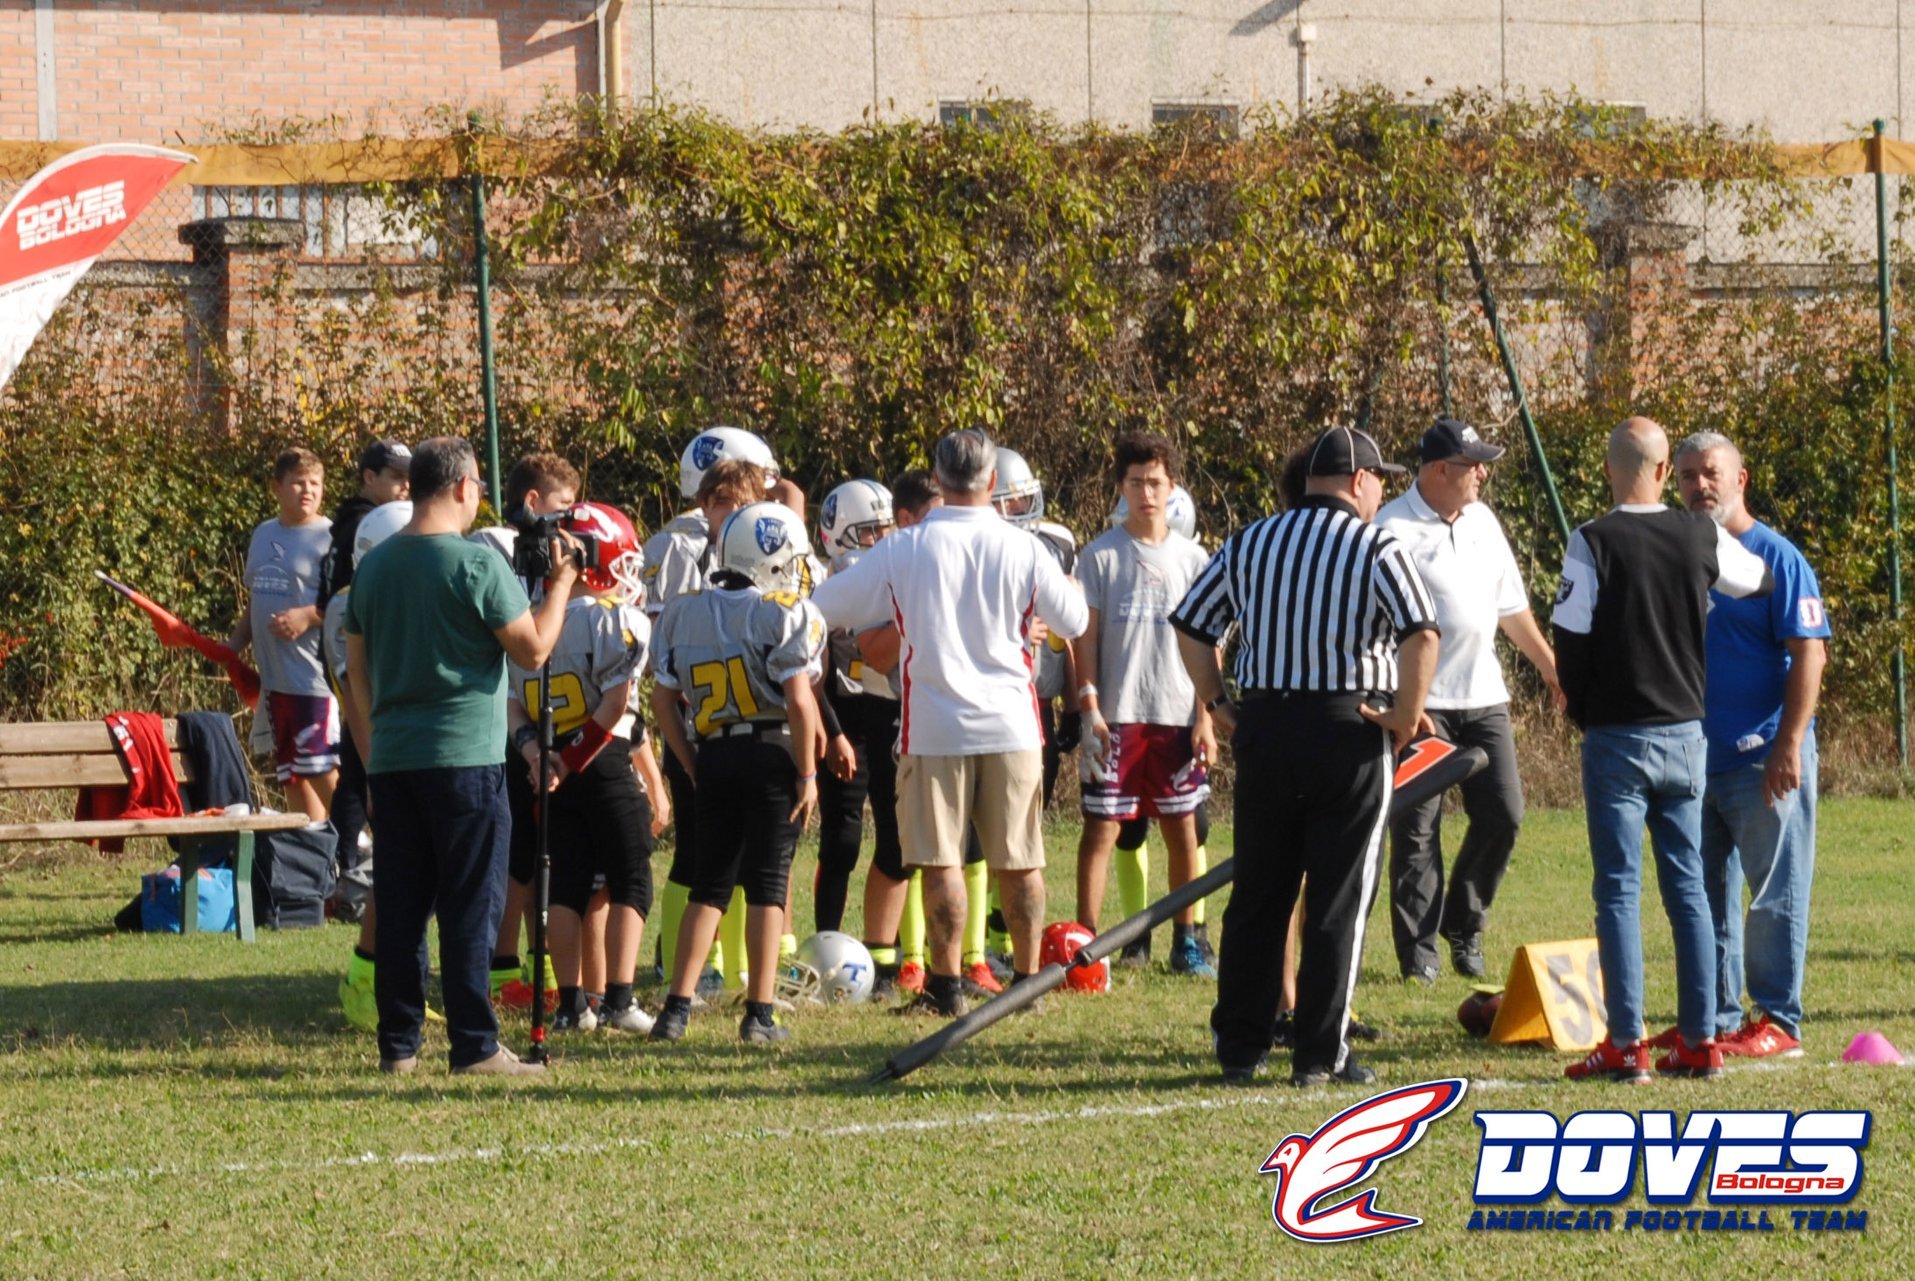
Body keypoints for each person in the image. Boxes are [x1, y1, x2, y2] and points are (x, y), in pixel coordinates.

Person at [1171, 425, 1439, 1087]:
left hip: (1266, 726)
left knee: (1258, 893)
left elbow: (1192, 624)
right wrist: (1406, 713)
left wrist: (1218, 701)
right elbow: (1421, 631)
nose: (1380, 496)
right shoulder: (1376, 544)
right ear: (1358, 481)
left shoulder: (1253, 539)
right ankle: (1321, 1052)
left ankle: (1241, 1046)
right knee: (1337, 896)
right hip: (1347, 728)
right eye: (1378, 483)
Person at [813, 429, 1087, 1018]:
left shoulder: (905, 548)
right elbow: (1073, 620)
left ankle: (945, 986)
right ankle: (1027, 985)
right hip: (1013, 724)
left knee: (941, 862)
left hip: (934, 725)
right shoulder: (1023, 547)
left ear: (937, 479)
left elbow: (827, 606)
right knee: (1021, 861)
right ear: (993, 481)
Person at [344, 436, 578, 1077]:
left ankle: (399, 1046)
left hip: (393, 761)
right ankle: (475, 1045)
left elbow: (355, 672)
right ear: (463, 487)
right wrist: (560, 585)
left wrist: (374, 751)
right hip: (466, 761)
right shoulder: (476, 563)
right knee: (469, 905)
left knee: (401, 906)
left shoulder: (373, 566)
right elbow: (533, 649)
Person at [1552, 416, 1773, 1084]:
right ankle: (1701, 1039)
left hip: (1617, 736)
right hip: (1685, 734)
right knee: (1689, 889)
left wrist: (1584, 709)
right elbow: (1757, 579)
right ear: (1660, 470)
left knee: (1619, 891)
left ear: (1608, 470)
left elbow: (1569, 638)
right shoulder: (1697, 532)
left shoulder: (1591, 539)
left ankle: (1626, 1044)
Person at [1375, 418, 1562, 984]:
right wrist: (1401, 701)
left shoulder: (1482, 520)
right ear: (1439, 470)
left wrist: (1551, 669)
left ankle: (1464, 924)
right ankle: (1419, 954)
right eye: (1473, 464)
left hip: (1484, 699)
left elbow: (1511, 609)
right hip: (1422, 706)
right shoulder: (1390, 528)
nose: (1482, 473)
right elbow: (1375, 626)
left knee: (1505, 813)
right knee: (1416, 829)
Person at [1675, 431, 1829, 1060]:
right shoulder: (1680, 556)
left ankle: (1779, 1020)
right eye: (1687, 476)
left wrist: (1788, 744)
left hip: (1764, 756)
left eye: (1711, 473)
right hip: (1694, 760)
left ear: (1740, 479)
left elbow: (1810, 654)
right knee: (1704, 896)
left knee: (1774, 893)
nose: (1699, 486)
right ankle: (1716, 1017)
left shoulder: (1778, 558)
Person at [648, 501, 825, 1044]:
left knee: (709, 886)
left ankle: (675, 1010)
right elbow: (799, 701)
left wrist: (691, 761)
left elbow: (662, 702)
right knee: (769, 887)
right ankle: (759, 1014)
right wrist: (808, 774)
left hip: (715, 754)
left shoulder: (683, 611)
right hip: (771, 752)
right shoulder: (782, 612)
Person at [841, 470, 998, 999]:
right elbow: (875, 654)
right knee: (899, 844)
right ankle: (889, 964)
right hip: (894, 712)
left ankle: (970, 960)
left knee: (970, 845)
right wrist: (921, 613)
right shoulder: (887, 564)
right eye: (935, 516)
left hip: (958, 713)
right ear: (905, 520)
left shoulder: (965, 558)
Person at [505, 501, 656, 1036]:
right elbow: (614, 706)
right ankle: (619, 999)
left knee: (566, 885)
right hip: (599, 758)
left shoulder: (532, 621)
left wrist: (538, 757)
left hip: (549, 765)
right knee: (631, 878)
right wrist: (571, 760)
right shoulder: (612, 618)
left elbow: (514, 708)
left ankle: (572, 1004)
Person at [1072, 433, 1217, 978]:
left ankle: (1187, 941)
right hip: (1117, 716)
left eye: (1155, 483)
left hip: (1177, 715)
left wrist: (1205, 715)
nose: (1146, 494)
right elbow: (1084, 638)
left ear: (1172, 486)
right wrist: (1089, 706)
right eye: (1136, 483)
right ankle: (1085, 947)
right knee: (1102, 828)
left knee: (1183, 829)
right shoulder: (1099, 555)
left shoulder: (1194, 559)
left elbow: (1208, 642)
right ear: (1122, 488)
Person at [645, 453, 776, 997]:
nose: (733, 513)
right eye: (723, 502)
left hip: (749, 722)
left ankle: (738, 965)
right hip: (698, 719)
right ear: (703, 504)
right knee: (697, 854)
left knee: (748, 858)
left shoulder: (766, 553)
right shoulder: (683, 550)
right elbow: (664, 643)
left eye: (744, 503)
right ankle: (681, 967)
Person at [471, 452, 582, 1012]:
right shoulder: (493, 546)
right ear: (533, 503)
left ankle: (536, 964)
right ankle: (500, 965)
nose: (569, 522)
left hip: (542, 708)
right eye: (563, 508)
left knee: (541, 850)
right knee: (512, 853)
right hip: (505, 713)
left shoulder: (549, 551)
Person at [325, 500, 421, 1033]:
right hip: (379, 746)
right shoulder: (350, 602)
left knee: (410, 870)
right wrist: (376, 768)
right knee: (398, 870)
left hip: (397, 743)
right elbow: (358, 697)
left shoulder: (385, 592)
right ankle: (366, 982)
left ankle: (393, 981)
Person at [316, 438, 412, 897]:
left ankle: (343, 859)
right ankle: (344, 862)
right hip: (357, 648)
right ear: (369, 477)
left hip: (351, 647)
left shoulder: (348, 521)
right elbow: (342, 602)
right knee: (360, 765)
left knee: (356, 767)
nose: (405, 487)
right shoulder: (366, 525)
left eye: (410, 478)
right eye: (396, 477)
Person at [229, 447, 338, 822]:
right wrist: (233, 645)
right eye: (298, 483)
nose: (308, 491)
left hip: (313, 679)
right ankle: (312, 849)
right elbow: (256, 599)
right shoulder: (264, 534)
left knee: (320, 765)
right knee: (292, 773)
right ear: (276, 487)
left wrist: (308, 616)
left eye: (315, 483)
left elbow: (353, 601)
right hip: (275, 681)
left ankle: (362, 846)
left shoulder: (332, 538)